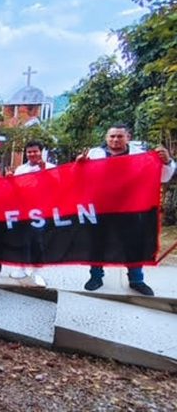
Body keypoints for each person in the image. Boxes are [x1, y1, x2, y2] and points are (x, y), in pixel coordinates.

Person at [77, 123, 175, 296]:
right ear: (106, 137)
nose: (115, 140)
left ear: (128, 137)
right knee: (97, 243)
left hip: (131, 208)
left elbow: (163, 177)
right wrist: (79, 166)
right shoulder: (94, 154)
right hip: (101, 208)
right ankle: (96, 277)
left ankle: (136, 280)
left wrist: (167, 161)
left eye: (119, 136)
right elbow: (81, 179)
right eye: (112, 136)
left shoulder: (142, 155)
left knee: (134, 244)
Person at [10, 140, 56, 285]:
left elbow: (57, 186)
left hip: (42, 212)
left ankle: (37, 273)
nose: (32, 154)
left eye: (35, 151)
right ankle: (22, 267)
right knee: (22, 240)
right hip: (23, 210)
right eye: (29, 152)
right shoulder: (20, 169)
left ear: (41, 152)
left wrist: (44, 171)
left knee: (38, 241)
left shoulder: (51, 167)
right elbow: (16, 190)